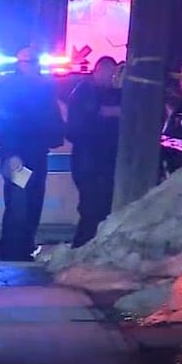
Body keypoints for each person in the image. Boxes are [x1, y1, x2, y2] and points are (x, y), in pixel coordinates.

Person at [0, 46, 65, 261]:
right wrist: (12, 153)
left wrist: (55, 136)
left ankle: (23, 249)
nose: (34, 66)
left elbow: (52, 119)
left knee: (33, 203)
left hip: (36, 154)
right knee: (19, 205)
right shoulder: (10, 88)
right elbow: (4, 124)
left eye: (36, 62)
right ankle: (13, 253)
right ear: (21, 63)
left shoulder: (43, 87)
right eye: (30, 62)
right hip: (18, 157)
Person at [65, 56, 122, 248]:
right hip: (89, 161)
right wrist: (114, 111)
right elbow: (83, 121)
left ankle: (90, 250)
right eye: (109, 72)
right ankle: (82, 249)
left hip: (103, 163)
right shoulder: (84, 91)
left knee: (101, 209)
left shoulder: (112, 92)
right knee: (91, 209)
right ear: (98, 70)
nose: (112, 77)